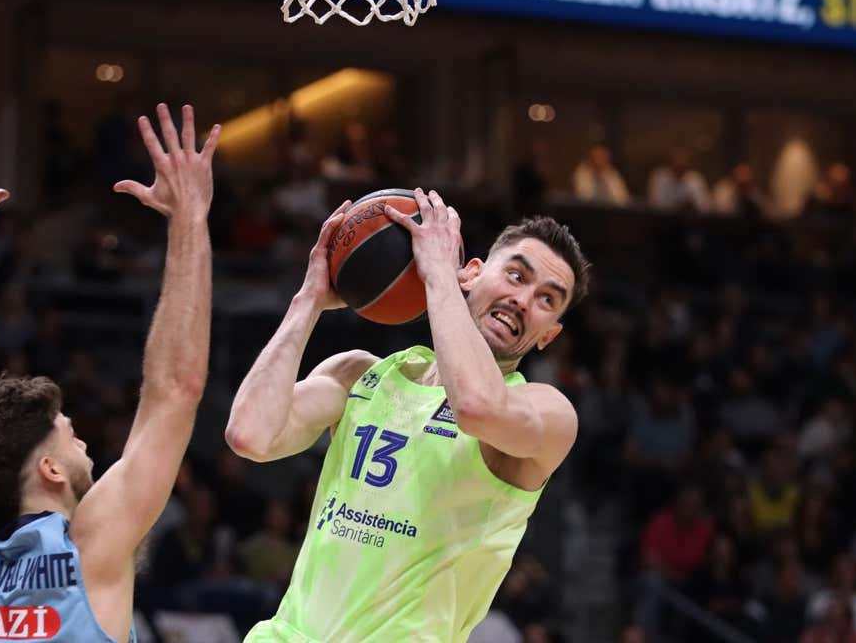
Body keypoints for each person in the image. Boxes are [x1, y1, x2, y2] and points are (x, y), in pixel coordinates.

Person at [0, 104, 219, 642]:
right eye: (71, 435)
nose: (83, 443)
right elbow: (175, 388)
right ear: (51, 470)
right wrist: (190, 219)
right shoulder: (91, 549)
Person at [227, 189, 589, 642]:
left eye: (546, 300)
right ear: (472, 274)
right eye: (516, 275)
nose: (522, 299)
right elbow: (250, 435)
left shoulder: (547, 413)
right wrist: (308, 302)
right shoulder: (357, 374)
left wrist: (437, 274)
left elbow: (475, 407)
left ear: (547, 336)